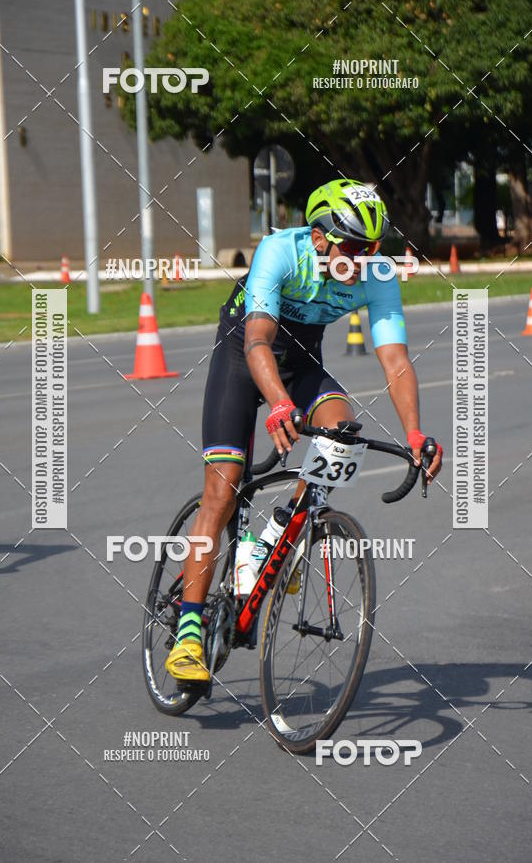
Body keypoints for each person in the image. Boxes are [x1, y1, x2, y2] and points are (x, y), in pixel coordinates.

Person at [165, 178, 442, 684]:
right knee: (222, 488)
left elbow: (395, 359)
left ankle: (273, 535)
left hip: (302, 365)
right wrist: (278, 406)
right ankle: (188, 631)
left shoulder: (375, 274)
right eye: (354, 246)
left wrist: (416, 433)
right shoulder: (280, 251)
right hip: (244, 359)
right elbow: (256, 340)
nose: (363, 259)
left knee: (341, 432)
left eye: (373, 247)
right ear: (319, 238)